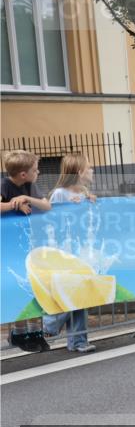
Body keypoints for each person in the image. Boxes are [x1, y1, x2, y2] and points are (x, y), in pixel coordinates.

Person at [42, 153, 98, 353]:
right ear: (79, 172)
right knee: (73, 292)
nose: (92, 170)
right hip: (63, 252)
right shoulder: (59, 194)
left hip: (79, 252)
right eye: (89, 168)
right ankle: (49, 325)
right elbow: (53, 221)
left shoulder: (84, 193)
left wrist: (88, 202)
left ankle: (78, 341)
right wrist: (70, 207)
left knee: (80, 293)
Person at [1, 150, 52, 352]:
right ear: (23, 173)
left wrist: (25, 198)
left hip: (27, 245)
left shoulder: (29, 186)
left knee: (31, 287)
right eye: (35, 169)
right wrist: (15, 205)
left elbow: (46, 206)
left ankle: (35, 332)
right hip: (7, 247)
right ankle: (18, 333)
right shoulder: (4, 185)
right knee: (16, 288)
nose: (38, 172)